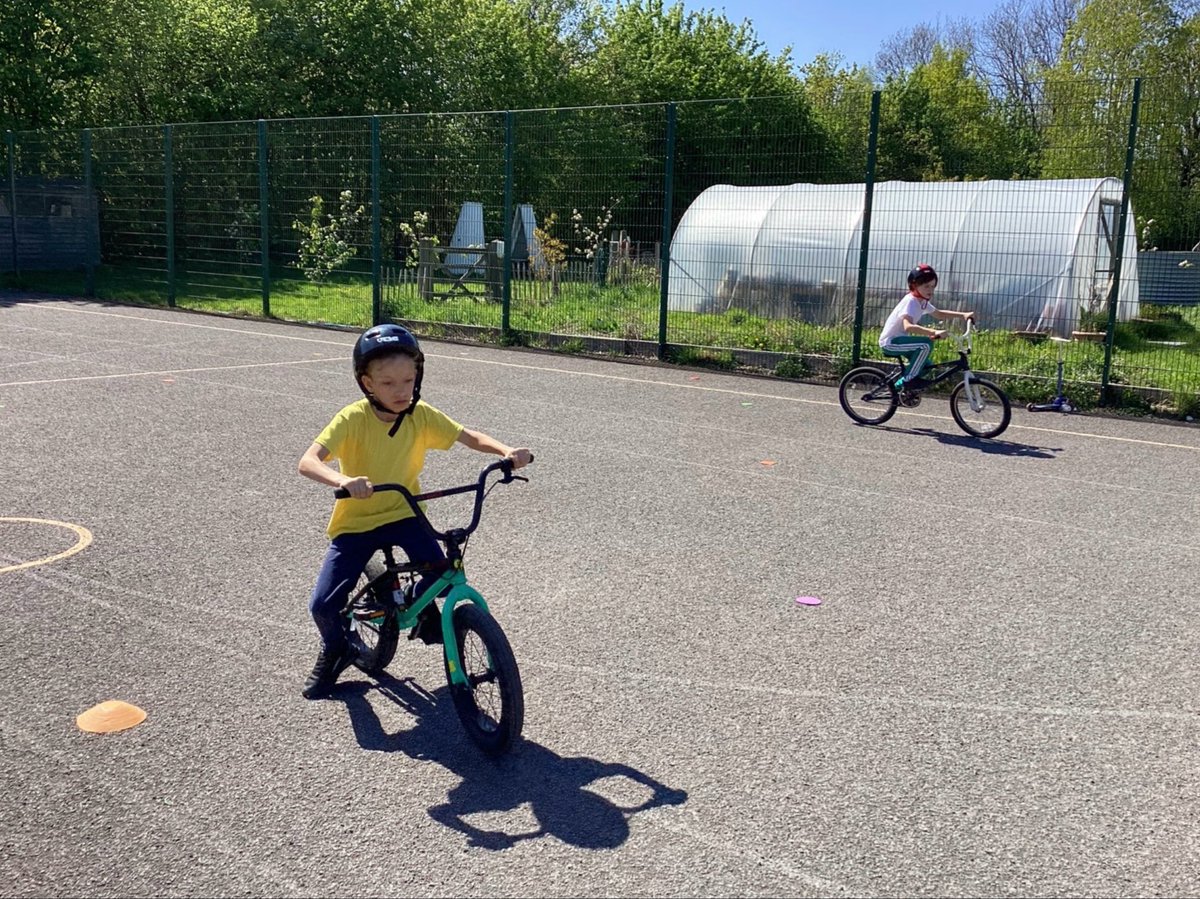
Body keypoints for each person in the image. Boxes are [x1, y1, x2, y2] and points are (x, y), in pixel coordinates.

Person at [297, 324, 533, 699]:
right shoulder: (352, 419)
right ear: (367, 383)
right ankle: (337, 647)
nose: (401, 390)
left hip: (405, 513)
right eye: (388, 383)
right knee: (323, 605)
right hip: (356, 522)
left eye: (408, 379)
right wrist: (342, 480)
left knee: (442, 570)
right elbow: (308, 462)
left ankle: (417, 612)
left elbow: (466, 435)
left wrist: (506, 452)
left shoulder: (420, 415)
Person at [879, 263, 975, 392]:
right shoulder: (911, 302)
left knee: (926, 366)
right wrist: (933, 331)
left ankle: (897, 389)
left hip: (901, 342)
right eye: (926, 286)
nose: (930, 290)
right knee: (926, 344)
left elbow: (939, 314)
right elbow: (908, 327)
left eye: (932, 286)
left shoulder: (922, 302)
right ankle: (909, 380)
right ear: (914, 286)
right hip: (890, 343)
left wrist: (963, 315)